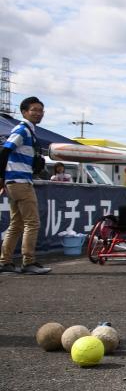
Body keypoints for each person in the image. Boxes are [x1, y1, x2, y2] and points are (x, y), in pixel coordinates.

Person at [0, 97, 51, 275]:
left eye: (41, 110)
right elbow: (5, 150)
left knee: (17, 224)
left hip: (16, 181)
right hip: (20, 181)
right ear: (24, 112)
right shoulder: (22, 130)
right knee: (32, 222)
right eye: (34, 110)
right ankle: (28, 261)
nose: (38, 113)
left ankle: (4, 262)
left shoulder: (29, 130)